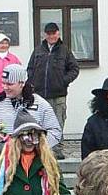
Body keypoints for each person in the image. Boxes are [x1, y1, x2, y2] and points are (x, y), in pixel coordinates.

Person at [0, 63, 61, 165]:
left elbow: (55, 132)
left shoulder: (40, 104)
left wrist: (36, 144)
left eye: (10, 84)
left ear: (22, 83)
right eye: (3, 83)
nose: (5, 87)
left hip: (34, 163)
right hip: (4, 163)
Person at [26, 22, 79, 159]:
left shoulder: (64, 50)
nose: (51, 36)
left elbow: (74, 69)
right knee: (39, 122)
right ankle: (39, 148)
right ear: (45, 34)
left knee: (58, 122)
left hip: (58, 95)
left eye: (54, 33)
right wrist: (31, 82)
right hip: (39, 95)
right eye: (49, 33)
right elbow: (30, 68)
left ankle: (57, 149)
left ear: (58, 33)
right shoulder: (38, 50)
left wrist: (63, 81)